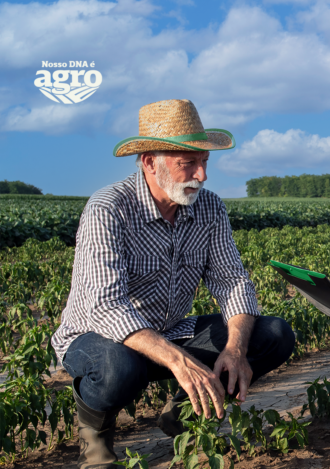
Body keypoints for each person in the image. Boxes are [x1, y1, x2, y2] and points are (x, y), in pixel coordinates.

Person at [52, 99, 295, 468]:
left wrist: (234, 348)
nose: (202, 175)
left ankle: (184, 414)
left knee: (274, 333)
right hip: (97, 337)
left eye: (204, 162)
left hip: (168, 331)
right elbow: (106, 306)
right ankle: (96, 441)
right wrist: (178, 360)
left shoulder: (209, 208)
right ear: (151, 161)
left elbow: (231, 281)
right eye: (188, 164)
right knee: (120, 369)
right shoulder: (109, 208)